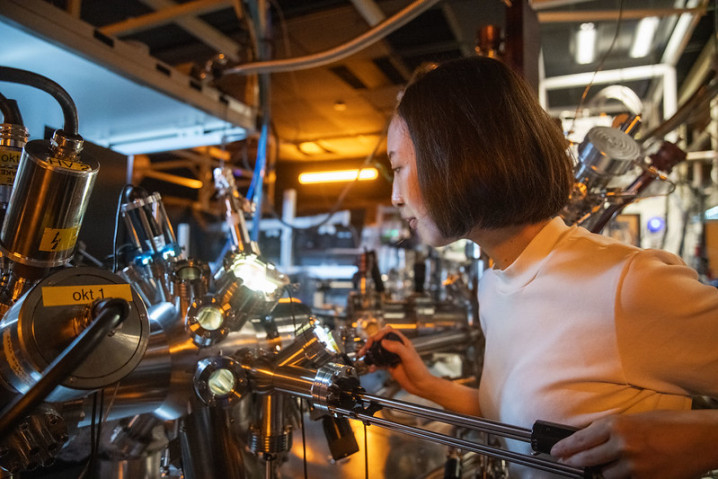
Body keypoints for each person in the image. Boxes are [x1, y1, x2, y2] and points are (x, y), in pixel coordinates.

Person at [358, 55, 718, 478]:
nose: (396, 196)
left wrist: (706, 439)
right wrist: (426, 385)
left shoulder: (625, 284)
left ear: (453, 157)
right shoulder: (494, 287)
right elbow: (525, 422)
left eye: (399, 167)